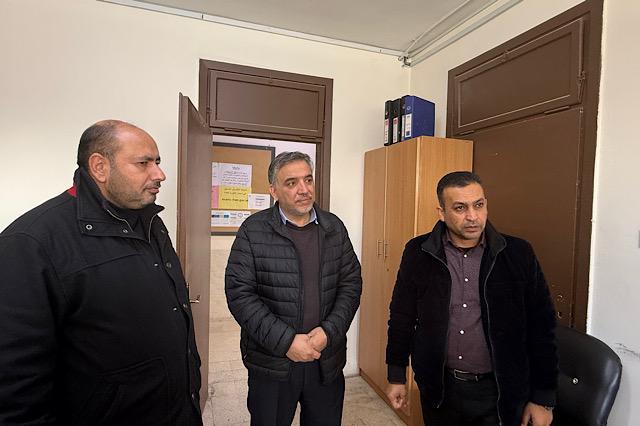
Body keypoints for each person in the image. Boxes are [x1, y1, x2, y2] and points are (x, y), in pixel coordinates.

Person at [0, 120, 202, 425]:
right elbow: (16, 387)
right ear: (99, 167)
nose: (159, 174)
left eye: (157, 162)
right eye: (144, 163)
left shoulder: (151, 222)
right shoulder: (30, 243)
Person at [385, 171, 557, 426]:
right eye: (460, 208)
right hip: (440, 388)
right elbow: (402, 316)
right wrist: (396, 374)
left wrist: (543, 397)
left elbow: (542, 326)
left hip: (501, 391)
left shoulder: (518, 253)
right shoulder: (419, 252)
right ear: (442, 213)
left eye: (478, 205)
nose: (473, 216)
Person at [225, 151, 362, 426]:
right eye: (291, 183)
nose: (304, 189)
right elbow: (240, 294)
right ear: (274, 190)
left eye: (308, 180)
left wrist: (329, 332)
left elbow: (351, 284)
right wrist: (286, 342)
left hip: (325, 359)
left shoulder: (334, 227)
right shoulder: (253, 230)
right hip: (273, 363)